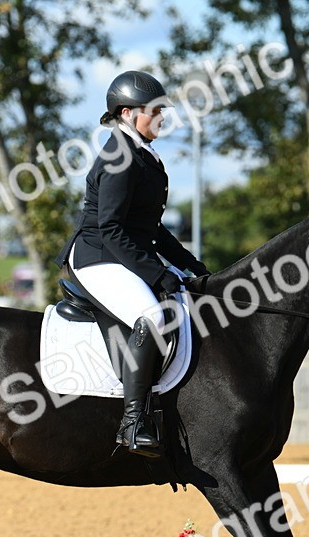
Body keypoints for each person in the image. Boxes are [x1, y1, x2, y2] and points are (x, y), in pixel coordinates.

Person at [56, 70, 209, 458]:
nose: (161, 119)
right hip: (97, 258)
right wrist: (158, 275)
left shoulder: (144, 154)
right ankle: (133, 422)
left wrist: (192, 266)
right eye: (155, 111)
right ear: (127, 113)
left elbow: (150, 228)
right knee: (153, 315)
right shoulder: (120, 157)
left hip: (123, 253)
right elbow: (110, 229)